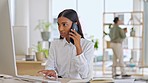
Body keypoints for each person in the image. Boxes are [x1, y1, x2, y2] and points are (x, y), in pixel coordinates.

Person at [38, 9, 94, 79]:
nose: (60, 29)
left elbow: (85, 75)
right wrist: (51, 72)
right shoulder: (55, 44)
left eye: (64, 24)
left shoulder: (88, 45)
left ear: (75, 25)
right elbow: (50, 66)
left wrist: (78, 47)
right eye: (58, 25)